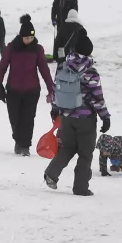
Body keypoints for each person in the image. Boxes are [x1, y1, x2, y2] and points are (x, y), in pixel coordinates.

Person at [44, 34, 109, 196]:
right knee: (85, 154)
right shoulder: (91, 72)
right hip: (85, 119)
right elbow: (97, 97)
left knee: (67, 148)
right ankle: (80, 187)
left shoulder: (63, 66)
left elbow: (55, 90)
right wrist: (105, 117)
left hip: (66, 116)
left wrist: (55, 109)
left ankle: (51, 173)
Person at [0, 18, 54, 156]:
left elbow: (44, 70)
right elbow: (3, 66)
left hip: (31, 90)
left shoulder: (37, 49)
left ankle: (25, 146)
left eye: (32, 37)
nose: (29, 40)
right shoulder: (11, 47)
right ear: (21, 36)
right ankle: (18, 140)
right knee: (15, 118)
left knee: (28, 119)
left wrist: (51, 88)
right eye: (27, 37)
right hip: (13, 90)